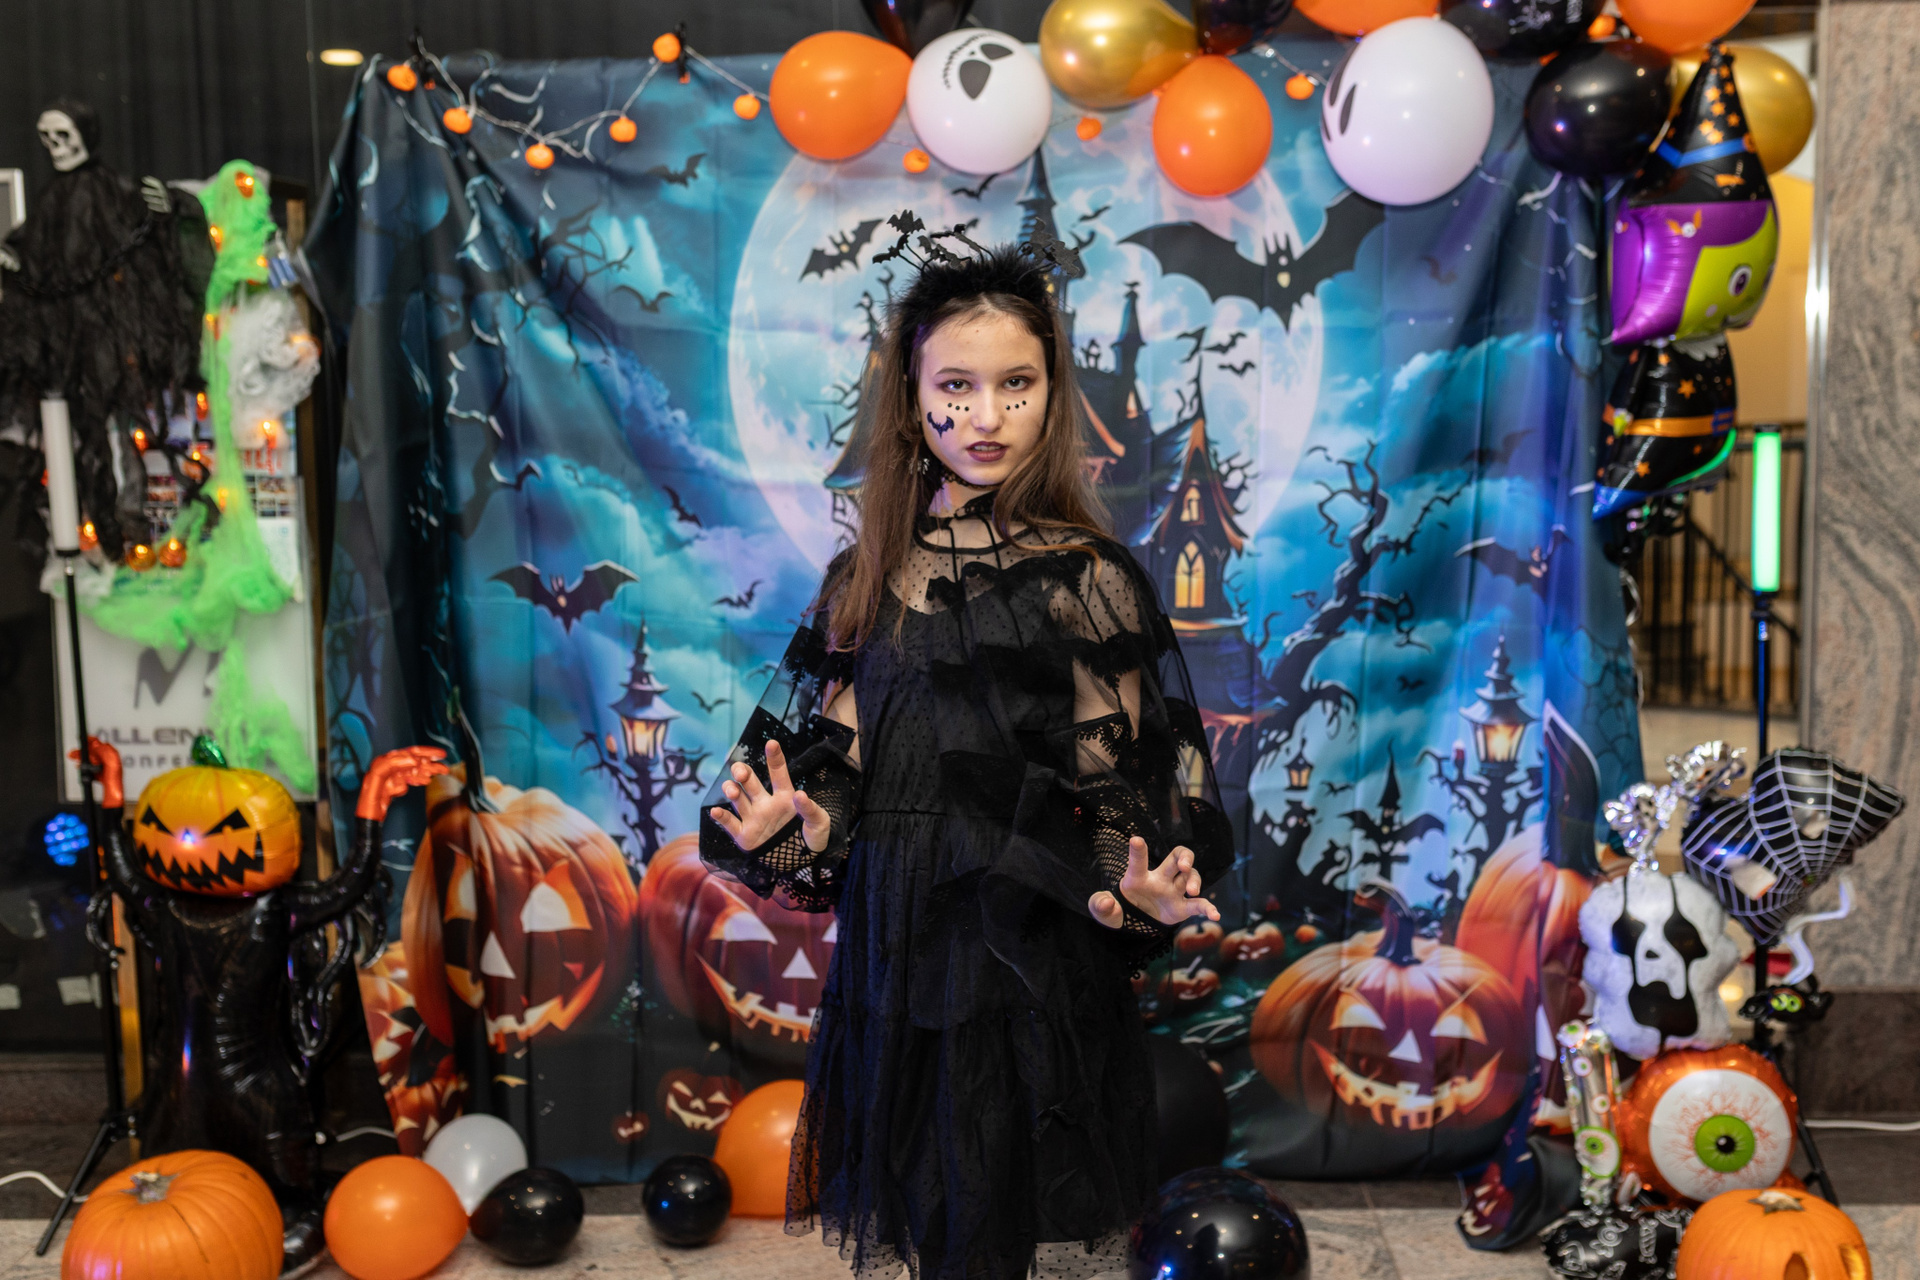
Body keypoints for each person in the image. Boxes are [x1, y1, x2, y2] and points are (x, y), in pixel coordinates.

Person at [701, 237, 1234, 1280]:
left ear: (1051, 396)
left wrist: (1136, 881)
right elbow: (840, 765)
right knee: (927, 1202)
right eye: (957, 386)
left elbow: (1117, 782)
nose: (986, 415)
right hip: (899, 936)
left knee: (991, 1201)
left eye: (1015, 384)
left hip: (1025, 937)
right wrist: (799, 824)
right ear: (913, 400)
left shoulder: (1087, 577)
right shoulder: (865, 577)